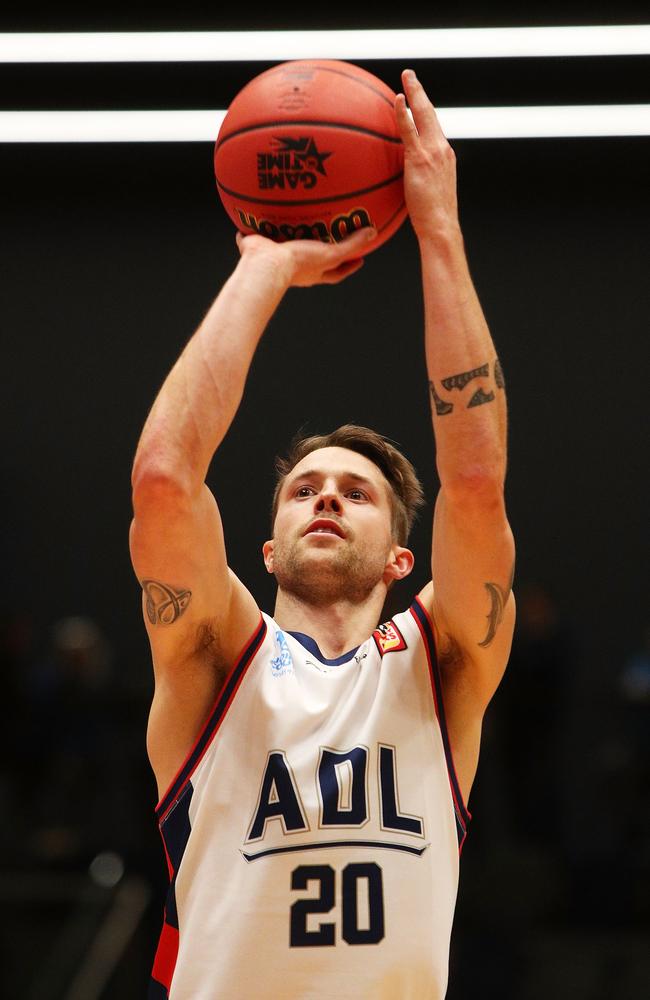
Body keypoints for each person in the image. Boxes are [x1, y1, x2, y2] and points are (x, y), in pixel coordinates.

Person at [130, 69, 516, 1000]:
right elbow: (163, 480)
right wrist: (264, 266)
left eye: (357, 491)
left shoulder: (443, 662)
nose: (328, 500)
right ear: (265, 551)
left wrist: (440, 233)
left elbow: (472, 486)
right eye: (303, 489)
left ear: (400, 556)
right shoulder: (217, 657)